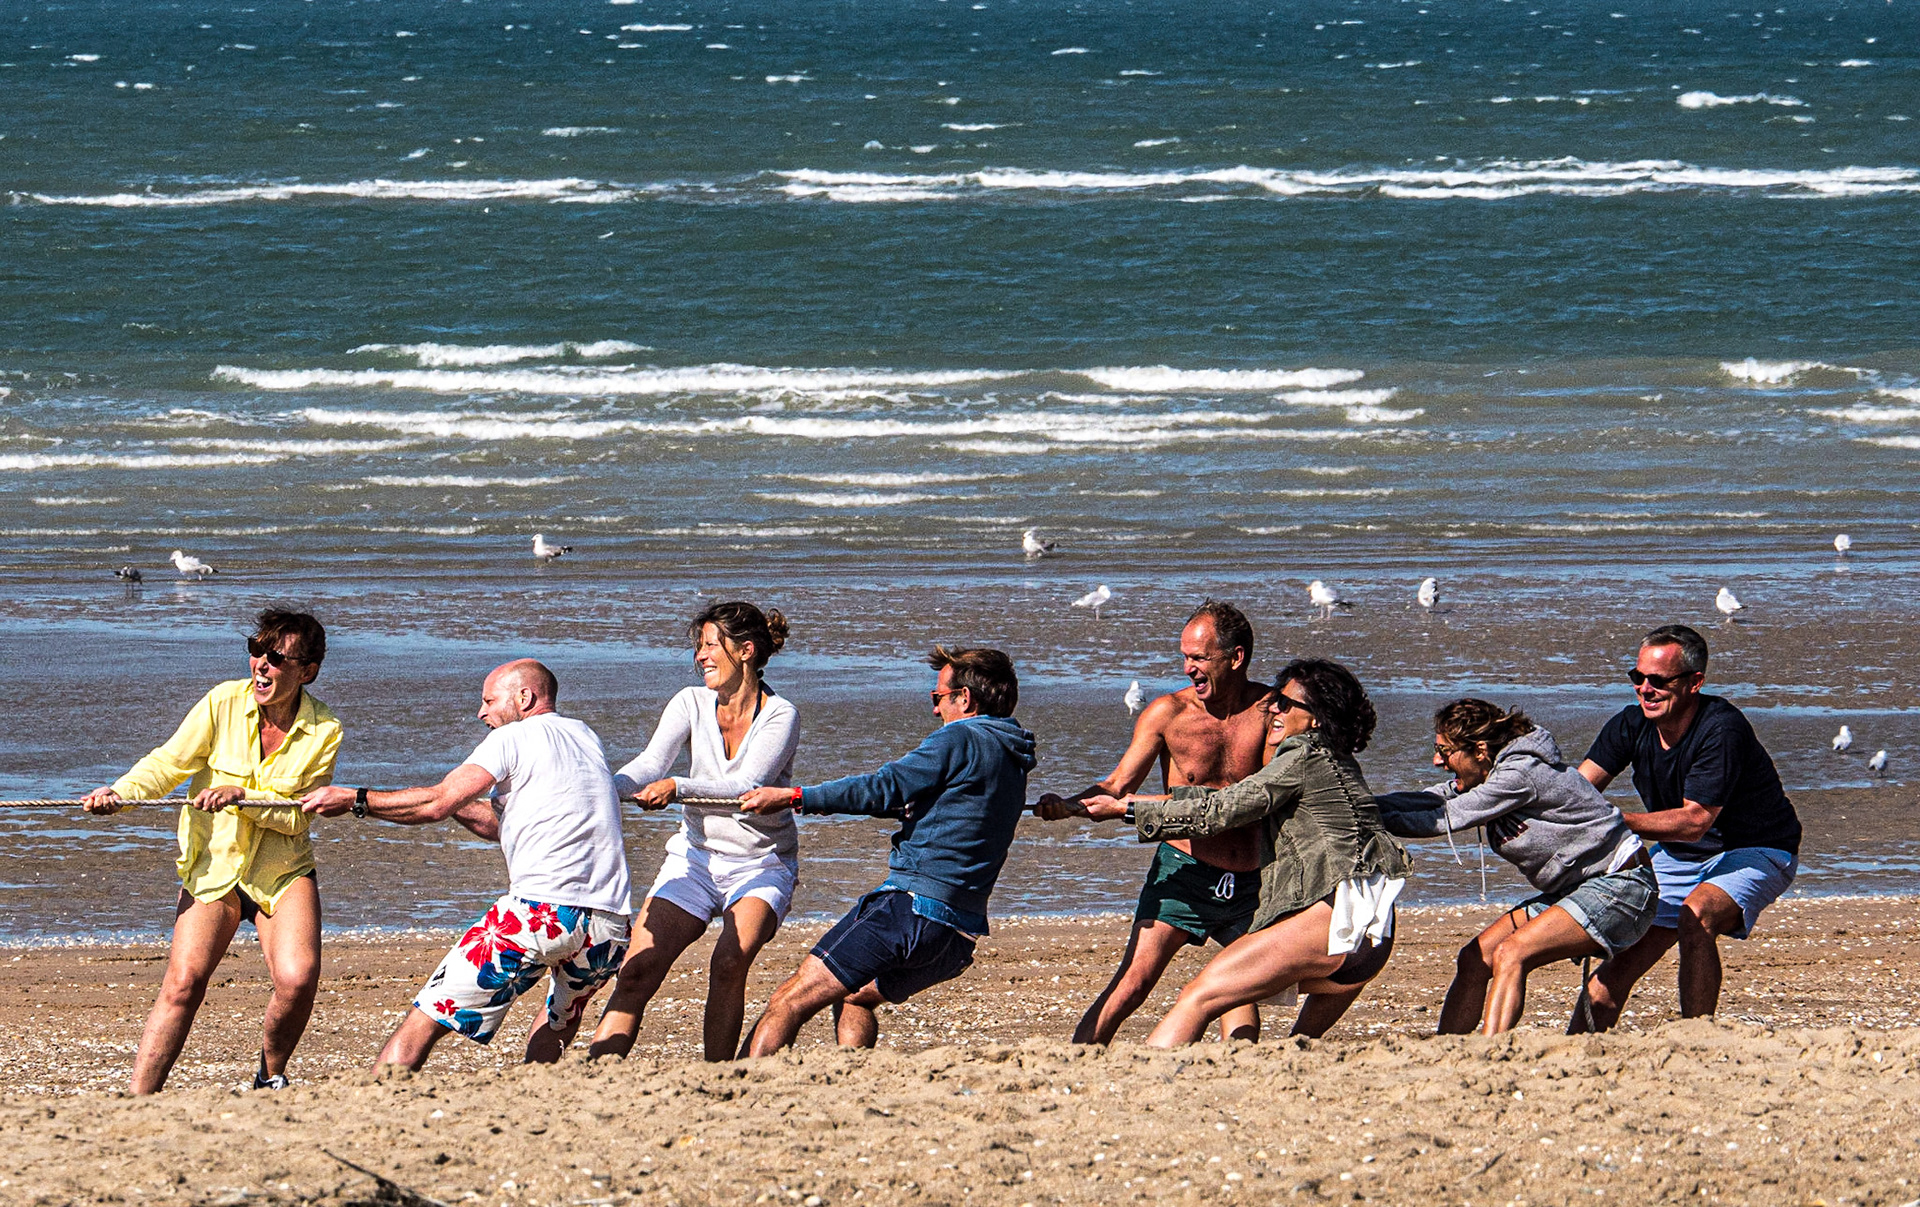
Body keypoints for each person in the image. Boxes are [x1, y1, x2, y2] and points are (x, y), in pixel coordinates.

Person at [300, 659, 631, 1069]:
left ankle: (377, 1104)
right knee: (560, 1019)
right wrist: (460, 805)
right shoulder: (584, 736)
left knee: (426, 1018)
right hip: (608, 924)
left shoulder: (512, 737)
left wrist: (356, 800)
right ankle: (539, 1101)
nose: (482, 713)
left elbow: (435, 804)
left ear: (524, 697)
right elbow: (503, 827)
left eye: (489, 701)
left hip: (541, 913)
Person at [1072, 659, 1410, 1046]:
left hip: (1339, 922)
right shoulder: (1340, 763)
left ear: (1317, 719)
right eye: (1275, 700)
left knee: (1198, 996)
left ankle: (1145, 1085)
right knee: (1244, 1000)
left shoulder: (1302, 756)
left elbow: (1223, 808)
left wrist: (1127, 808)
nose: (1273, 709)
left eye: (1286, 704)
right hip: (1374, 936)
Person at [82, 608, 339, 1095]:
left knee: (298, 978)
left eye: (276, 658)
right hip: (214, 870)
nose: (261, 664)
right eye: (256, 651)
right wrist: (120, 793)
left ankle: (270, 1075)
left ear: (307, 671)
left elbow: (297, 816)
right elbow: (167, 762)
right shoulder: (222, 701)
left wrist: (241, 798)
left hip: (282, 872)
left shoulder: (326, 729)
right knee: (183, 984)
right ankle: (138, 1099)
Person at [735, 647, 1035, 1056]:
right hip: (959, 934)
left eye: (937, 698)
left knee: (790, 999)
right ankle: (857, 1078)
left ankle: (746, 1094)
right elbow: (958, 809)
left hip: (913, 909)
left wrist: (794, 796)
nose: (934, 711)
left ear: (964, 698)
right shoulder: (1013, 755)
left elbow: (881, 787)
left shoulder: (959, 736)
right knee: (856, 993)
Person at [1033, 600, 1272, 1043]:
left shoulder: (1270, 713)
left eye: (1199, 658)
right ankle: (1077, 1061)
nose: (1187, 669)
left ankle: (1242, 1073)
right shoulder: (1168, 715)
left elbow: (1275, 794)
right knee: (1133, 984)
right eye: (1184, 657)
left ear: (1235, 658)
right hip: (1183, 874)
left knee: (1239, 989)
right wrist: (1067, 806)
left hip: (1254, 879)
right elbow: (1118, 785)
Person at [588, 602, 800, 1062]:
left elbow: (746, 787)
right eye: (698, 647)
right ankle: (596, 1074)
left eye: (710, 645)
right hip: (694, 858)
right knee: (637, 970)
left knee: (728, 963)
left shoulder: (782, 715)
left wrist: (676, 788)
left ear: (745, 651)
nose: (701, 656)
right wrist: (602, 789)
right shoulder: (689, 702)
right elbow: (649, 765)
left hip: (760, 864)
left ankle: (717, 1075)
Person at [1373, 699, 1658, 1035]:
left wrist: (1370, 819)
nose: (1437, 760)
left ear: (1480, 750)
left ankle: (1491, 1053)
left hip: (1622, 886)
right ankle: (1446, 1050)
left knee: (1511, 952)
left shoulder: (1520, 775)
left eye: (1444, 750)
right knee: (1474, 959)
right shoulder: (1491, 775)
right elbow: (1432, 799)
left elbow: (1444, 818)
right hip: (1579, 889)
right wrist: (1360, 806)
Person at [1571, 624, 1802, 1030]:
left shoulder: (1722, 727)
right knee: (1618, 958)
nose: (1645, 689)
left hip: (1756, 849)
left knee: (1696, 916)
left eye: (1658, 680)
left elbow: (1695, 821)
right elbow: (1575, 792)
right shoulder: (1629, 724)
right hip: (1677, 854)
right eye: (1637, 678)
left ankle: (1698, 1038)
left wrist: (1612, 822)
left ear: (1695, 682)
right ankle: (1576, 1055)